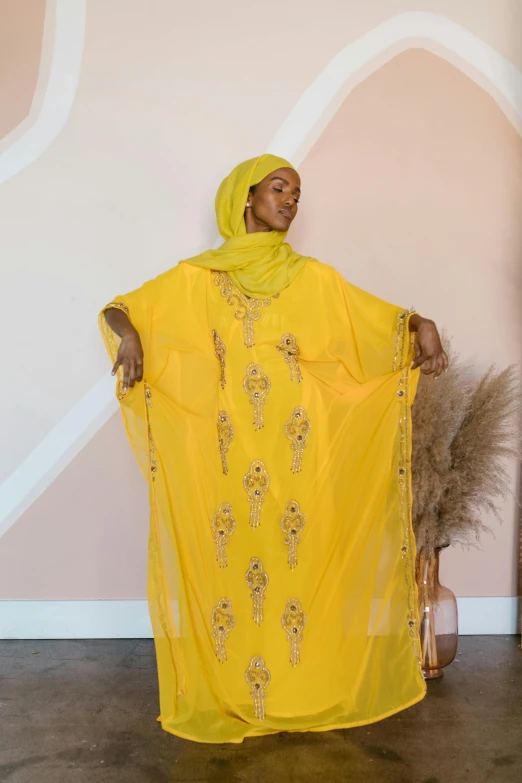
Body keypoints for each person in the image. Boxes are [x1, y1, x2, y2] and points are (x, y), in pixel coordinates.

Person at [100, 154, 447, 744]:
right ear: (245, 197)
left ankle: (301, 689)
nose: (291, 200)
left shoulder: (312, 278)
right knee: (235, 570)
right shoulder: (198, 277)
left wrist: (422, 325)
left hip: (297, 455)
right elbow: (120, 308)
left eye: (297, 193)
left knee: (296, 569)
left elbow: (375, 320)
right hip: (226, 455)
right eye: (279, 188)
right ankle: (234, 691)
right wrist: (129, 335)